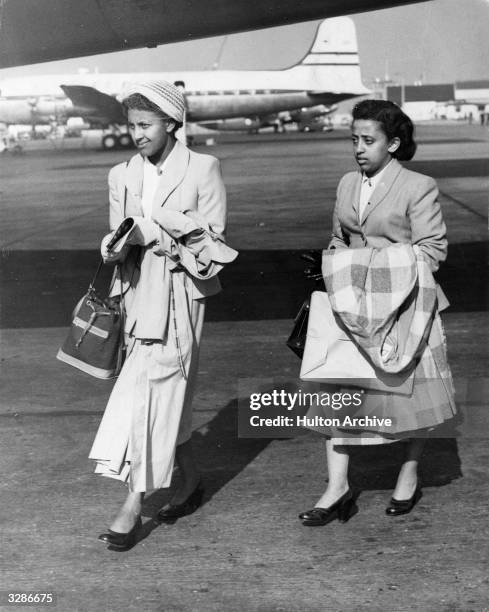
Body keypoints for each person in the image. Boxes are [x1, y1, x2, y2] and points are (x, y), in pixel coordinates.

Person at [89, 81, 237, 548]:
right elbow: (118, 235)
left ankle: (133, 505)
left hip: (178, 297)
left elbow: (213, 246)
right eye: (131, 126)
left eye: (146, 125)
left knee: (152, 396)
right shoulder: (122, 174)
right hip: (135, 298)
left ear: (173, 124)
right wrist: (113, 248)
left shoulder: (203, 168)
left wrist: (156, 232)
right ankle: (190, 479)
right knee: (162, 397)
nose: (137, 134)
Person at [299, 99, 456, 526]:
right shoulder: (347, 183)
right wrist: (335, 263)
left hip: (407, 305)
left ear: (394, 143)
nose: (359, 149)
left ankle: (409, 472)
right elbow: (338, 239)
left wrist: (372, 267)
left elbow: (432, 250)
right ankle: (337, 487)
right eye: (355, 140)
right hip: (352, 308)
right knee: (337, 395)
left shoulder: (417, 185)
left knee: (412, 396)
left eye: (369, 141)